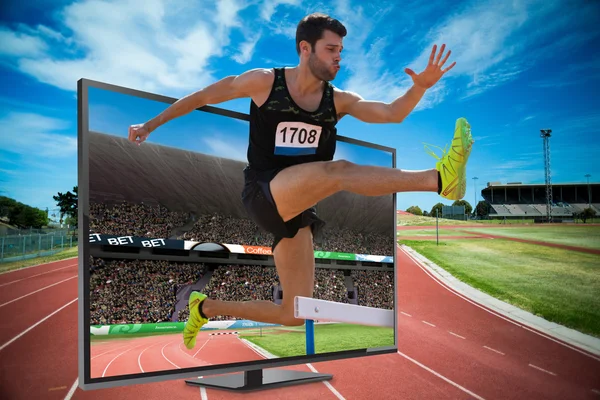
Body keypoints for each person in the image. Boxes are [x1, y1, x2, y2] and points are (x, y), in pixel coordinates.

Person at [128, 12, 473, 349]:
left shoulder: (337, 100)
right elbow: (201, 97)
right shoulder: (264, 82)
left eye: (341, 50)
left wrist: (420, 88)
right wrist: (149, 125)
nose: (339, 57)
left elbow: (391, 113)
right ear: (305, 48)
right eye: (331, 49)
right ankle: (439, 180)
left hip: (297, 210)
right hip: (264, 192)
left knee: (294, 312)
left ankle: (204, 307)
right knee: (336, 172)